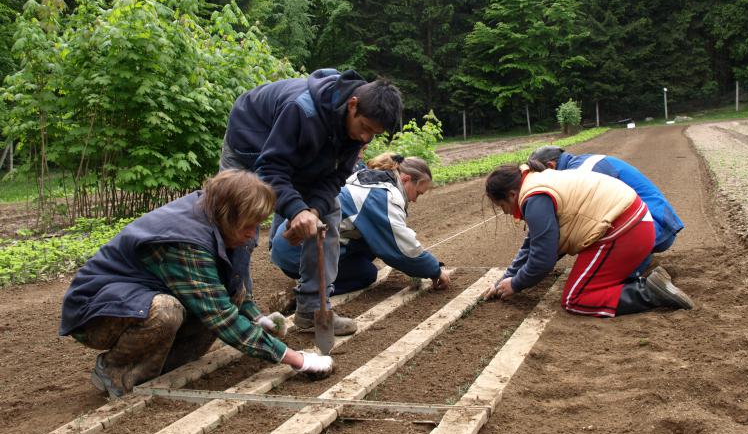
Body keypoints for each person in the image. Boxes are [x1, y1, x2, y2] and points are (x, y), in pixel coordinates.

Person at [59, 170, 334, 399]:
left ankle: (165, 369)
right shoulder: (186, 242)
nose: (253, 234)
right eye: (248, 226)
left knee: (216, 298)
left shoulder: (223, 224)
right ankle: (116, 371)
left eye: (258, 225)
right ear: (227, 215)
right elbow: (221, 317)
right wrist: (296, 359)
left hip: (137, 296)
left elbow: (232, 286)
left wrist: (258, 318)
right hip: (97, 310)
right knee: (165, 312)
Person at [219, 68, 402, 335]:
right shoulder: (302, 110)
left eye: (373, 134)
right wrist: (295, 210)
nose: (365, 138)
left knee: (329, 213)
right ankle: (236, 313)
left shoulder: (356, 129)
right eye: (365, 128)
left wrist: (311, 211)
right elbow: (271, 169)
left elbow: (336, 178)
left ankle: (313, 310)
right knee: (240, 223)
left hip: (299, 153)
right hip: (251, 143)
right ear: (353, 105)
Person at [482, 161, 693, 317]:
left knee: (576, 298)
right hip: (635, 225)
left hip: (623, 231)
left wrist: (516, 284)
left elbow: (543, 259)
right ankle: (645, 284)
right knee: (587, 286)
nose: (507, 213)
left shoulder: (534, 198)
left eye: (502, 207)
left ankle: (649, 292)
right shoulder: (538, 182)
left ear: (511, 195)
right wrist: (504, 279)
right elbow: (533, 244)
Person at [271, 153, 454, 294]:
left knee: (370, 245)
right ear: (406, 179)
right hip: (296, 252)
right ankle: (306, 293)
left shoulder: (369, 177)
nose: (415, 200)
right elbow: (403, 248)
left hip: (289, 243)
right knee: (366, 273)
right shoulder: (383, 197)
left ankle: (314, 280)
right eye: (418, 193)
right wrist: (434, 270)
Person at [528, 146, 684, 275]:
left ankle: (640, 279)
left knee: (596, 274)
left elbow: (567, 228)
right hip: (657, 224)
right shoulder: (580, 164)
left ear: (550, 166)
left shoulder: (580, 174)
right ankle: (640, 262)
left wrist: (535, 265)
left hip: (654, 228)